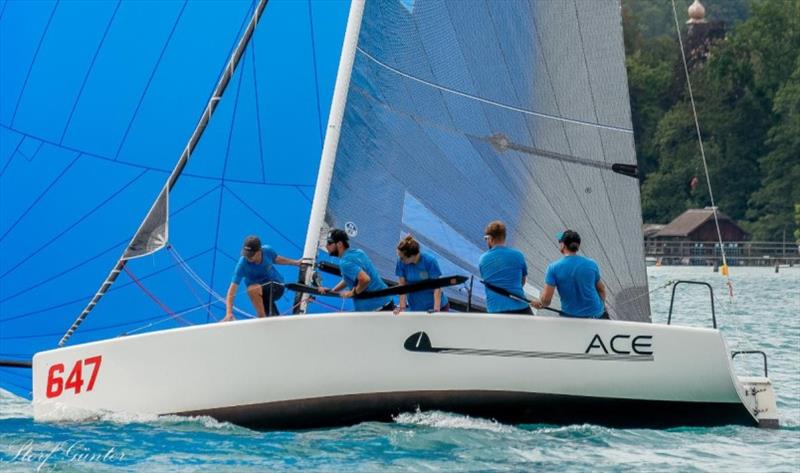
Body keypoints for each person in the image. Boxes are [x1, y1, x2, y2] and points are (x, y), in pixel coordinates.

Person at [532, 230, 608, 319]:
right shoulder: (592, 264)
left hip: (571, 320)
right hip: (597, 316)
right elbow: (601, 289)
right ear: (578, 246)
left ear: (563, 245)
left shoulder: (553, 268)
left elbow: (546, 300)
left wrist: (540, 303)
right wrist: (602, 306)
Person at [222, 235, 301, 321]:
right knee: (254, 292)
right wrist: (229, 313)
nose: (248, 258)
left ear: (259, 251)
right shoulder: (242, 264)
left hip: (277, 286)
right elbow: (232, 291)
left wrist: (296, 262)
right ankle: (270, 320)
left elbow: (277, 259)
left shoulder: (267, 251)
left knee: (253, 289)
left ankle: (262, 317)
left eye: (251, 255)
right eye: (246, 255)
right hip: (261, 295)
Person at [319, 229, 395, 311]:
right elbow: (349, 278)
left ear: (340, 244)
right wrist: (333, 290)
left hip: (376, 308)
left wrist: (352, 293)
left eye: (329, 243)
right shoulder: (358, 252)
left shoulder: (345, 263)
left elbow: (365, 279)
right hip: (387, 302)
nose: (326, 246)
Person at [479, 220, 533, 315]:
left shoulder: (483, 259)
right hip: (520, 308)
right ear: (504, 237)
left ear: (490, 239)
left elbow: (487, 280)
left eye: (486, 238)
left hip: (495, 310)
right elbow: (522, 282)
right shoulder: (518, 255)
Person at [394, 235, 449, 313]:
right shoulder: (401, 263)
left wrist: (436, 310)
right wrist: (402, 308)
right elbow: (402, 285)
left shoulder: (430, 261)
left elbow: (437, 287)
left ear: (412, 256)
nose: (400, 259)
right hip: (416, 308)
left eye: (402, 258)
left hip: (436, 307)